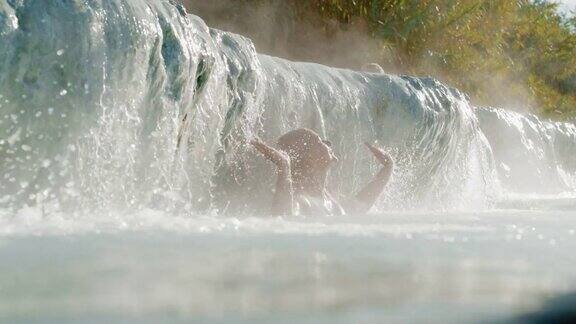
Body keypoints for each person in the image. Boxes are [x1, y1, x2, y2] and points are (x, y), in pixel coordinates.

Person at [250, 128, 393, 216]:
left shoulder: (327, 200)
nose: (328, 142)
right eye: (319, 141)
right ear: (308, 158)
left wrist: (387, 168)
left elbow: (357, 208)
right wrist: (284, 167)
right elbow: (281, 219)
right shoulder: (302, 200)